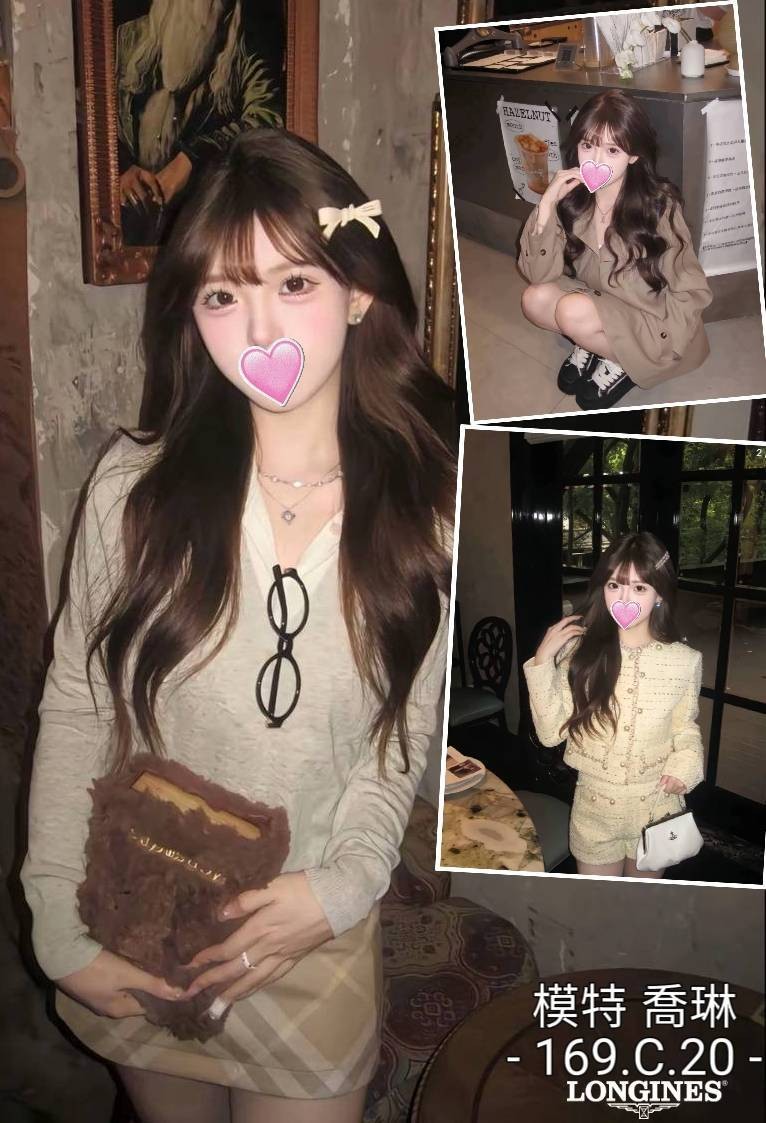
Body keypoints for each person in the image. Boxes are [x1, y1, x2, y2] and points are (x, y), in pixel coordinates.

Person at [21, 128, 455, 1123]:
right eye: (222, 295)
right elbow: (79, 704)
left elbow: (400, 735)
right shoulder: (134, 489)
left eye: (293, 284)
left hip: (304, 931)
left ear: (359, 292)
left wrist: (341, 889)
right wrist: (54, 919)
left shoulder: (431, 509)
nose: (258, 329)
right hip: (139, 910)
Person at [523, 532, 704, 879]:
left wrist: (686, 766)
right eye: (614, 585)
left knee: (641, 904)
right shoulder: (579, 654)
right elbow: (549, 734)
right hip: (593, 810)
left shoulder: (685, 661)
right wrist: (543, 662)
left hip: (656, 808)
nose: (623, 598)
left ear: (660, 594)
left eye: (639, 587)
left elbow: (685, 728)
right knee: (597, 903)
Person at [518, 89, 712, 410]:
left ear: (633, 155)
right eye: (587, 145)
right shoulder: (573, 199)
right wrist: (547, 204)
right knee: (534, 299)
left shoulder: (658, 207)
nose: (596, 161)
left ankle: (621, 359)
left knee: (570, 312)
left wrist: (665, 349)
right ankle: (594, 343)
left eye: (612, 150)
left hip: (651, 321)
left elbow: (690, 288)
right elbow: (538, 274)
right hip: (601, 302)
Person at [117, 0, 284, 245]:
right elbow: (90, 122)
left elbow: (266, 119)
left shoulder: (250, 40)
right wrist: (120, 168)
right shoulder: (126, 38)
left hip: (208, 228)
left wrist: (192, 159)